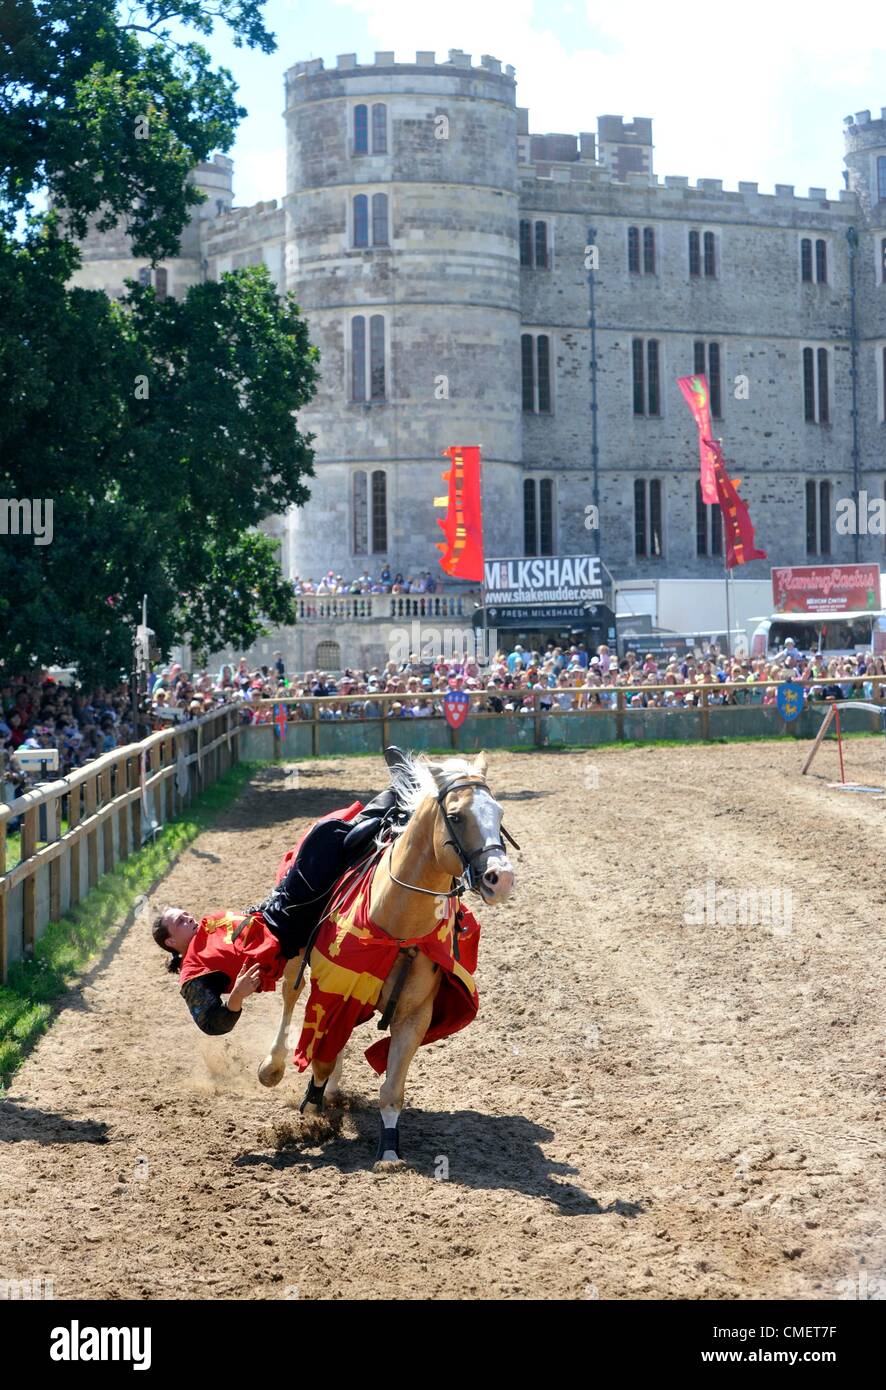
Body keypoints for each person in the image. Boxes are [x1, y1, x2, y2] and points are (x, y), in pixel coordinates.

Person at [152, 768, 415, 1036]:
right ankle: (397, 795)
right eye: (180, 922)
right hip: (284, 929)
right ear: (171, 942)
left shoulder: (207, 930)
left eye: (185, 914)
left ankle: (394, 806)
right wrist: (236, 998)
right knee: (322, 837)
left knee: (318, 845)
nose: (188, 918)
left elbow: (245, 925)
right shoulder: (193, 973)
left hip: (274, 912)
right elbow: (211, 1023)